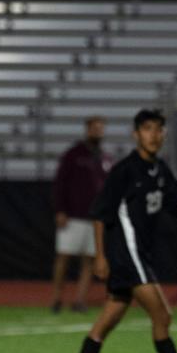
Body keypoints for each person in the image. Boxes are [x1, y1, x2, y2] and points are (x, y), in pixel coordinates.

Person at [62, 109, 177, 353]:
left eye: (159, 130)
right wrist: (100, 256)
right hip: (126, 252)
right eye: (147, 129)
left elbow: (175, 207)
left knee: (108, 319)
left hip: (138, 252)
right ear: (136, 134)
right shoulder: (124, 170)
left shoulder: (160, 170)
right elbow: (99, 214)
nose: (154, 135)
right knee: (162, 314)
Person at [51, 116, 110, 313]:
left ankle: (79, 300)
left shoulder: (105, 157)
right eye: (95, 128)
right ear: (87, 129)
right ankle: (57, 298)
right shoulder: (73, 154)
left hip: (95, 218)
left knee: (90, 260)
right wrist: (60, 209)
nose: (98, 132)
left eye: (101, 129)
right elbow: (61, 182)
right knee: (64, 256)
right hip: (73, 214)